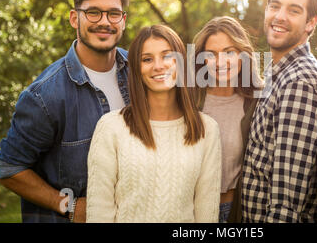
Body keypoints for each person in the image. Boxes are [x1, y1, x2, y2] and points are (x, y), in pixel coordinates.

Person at [0, 0, 130, 222]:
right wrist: (69, 206)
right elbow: (8, 168)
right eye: (93, 12)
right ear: (74, 18)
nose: (104, 21)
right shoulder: (45, 95)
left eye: (113, 13)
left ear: (123, 20)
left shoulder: (139, 72)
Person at [86, 25, 221, 222]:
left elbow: (206, 212)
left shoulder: (207, 130)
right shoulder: (111, 127)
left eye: (167, 56)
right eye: (147, 59)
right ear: (136, 69)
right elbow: (99, 212)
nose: (158, 66)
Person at [241, 0, 317, 223]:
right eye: (275, 6)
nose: (279, 17)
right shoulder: (277, 71)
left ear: (311, 22)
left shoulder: (299, 82)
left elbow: (286, 204)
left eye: (294, 10)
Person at [193, 16, 263, 223]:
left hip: (238, 211)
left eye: (229, 52)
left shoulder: (257, 101)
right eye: (211, 54)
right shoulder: (190, 100)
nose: (220, 62)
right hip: (194, 212)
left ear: (243, 55)